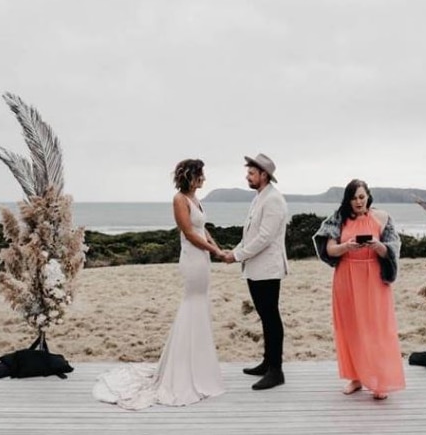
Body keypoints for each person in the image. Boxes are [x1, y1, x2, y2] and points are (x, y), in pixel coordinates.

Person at [93, 158, 225, 409]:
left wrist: (216, 249)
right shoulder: (179, 200)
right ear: (191, 176)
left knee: (200, 306)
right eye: (201, 175)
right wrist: (214, 252)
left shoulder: (197, 199)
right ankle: (182, 370)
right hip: (192, 261)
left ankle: (198, 366)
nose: (204, 179)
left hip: (203, 259)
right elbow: (188, 233)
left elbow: (203, 229)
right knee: (191, 305)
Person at [312, 179, 405, 400]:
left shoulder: (382, 217)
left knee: (377, 329)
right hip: (346, 278)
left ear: (368, 196)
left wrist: (378, 246)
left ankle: (380, 381)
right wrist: (347, 246)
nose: (358, 202)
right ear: (348, 199)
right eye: (353, 198)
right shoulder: (338, 219)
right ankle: (355, 378)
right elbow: (329, 250)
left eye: (361, 197)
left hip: (374, 278)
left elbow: (392, 249)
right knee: (351, 329)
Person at [223, 153, 289, 391]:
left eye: (251, 173)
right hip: (255, 267)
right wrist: (234, 252)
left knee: (271, 317)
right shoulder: (260, 197)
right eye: (248, 172)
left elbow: (264, 237)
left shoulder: (273, 200)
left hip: (268, 269)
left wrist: (237, 255)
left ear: (264, 175)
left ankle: (276, 371)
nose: (247, 176)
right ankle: (267, 363)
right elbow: (250, 235)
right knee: (265, 316)